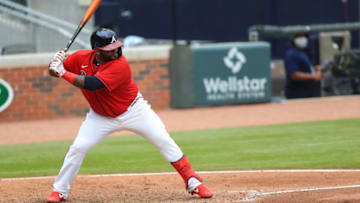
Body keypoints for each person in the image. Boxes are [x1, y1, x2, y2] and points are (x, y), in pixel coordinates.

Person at [45, 28, 213, 202]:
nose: (116, 50)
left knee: (163, 140)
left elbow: (93, 84)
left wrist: (62, 72)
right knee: (78, 148)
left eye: (117, 46)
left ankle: (193, 181)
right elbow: (55, 71)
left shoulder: (120, 65)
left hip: (134, 111)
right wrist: (56, 64)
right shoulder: (80, 58)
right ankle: (60, 190)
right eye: (110, 49)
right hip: (100, 116)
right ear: (96, 50)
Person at [283, 33, 323, 99]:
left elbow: (306, 68)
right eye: (299, 37)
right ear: (293, 39)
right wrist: (313, 76)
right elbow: (294, 74)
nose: (302, 39)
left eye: (303, 37)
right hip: (296, 95)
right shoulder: (291, 54)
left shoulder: (304, 52)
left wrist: (315, 69)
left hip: (308, 94)